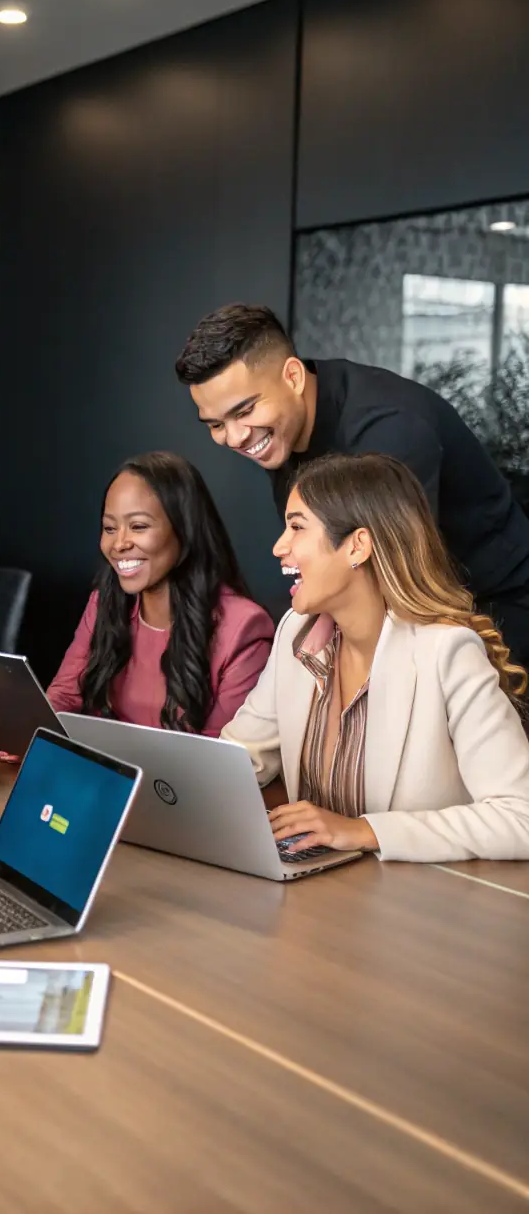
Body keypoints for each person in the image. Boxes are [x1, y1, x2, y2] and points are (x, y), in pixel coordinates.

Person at [176, 303, 529, 666]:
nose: (235, 437)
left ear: (293, 377)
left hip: (498, 605)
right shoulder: (278, 431)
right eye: (215, 424)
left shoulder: (391, 427)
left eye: (245, 411)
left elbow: (398, 582)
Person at [222, 452, 529, 862]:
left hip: (417, 895)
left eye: (297, 527)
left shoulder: (448, 653)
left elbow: (520, 817)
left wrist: (364, 831)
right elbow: (237, 759)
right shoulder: (295, 633)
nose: (280, 546)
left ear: (357, 546)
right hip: (316, 887)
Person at [47, 452, 274, 736]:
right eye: (109, 528)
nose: (119, 544)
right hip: (102, 763)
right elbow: (64, 696)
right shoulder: (104, 602)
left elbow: (221, 751)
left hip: (185, 768)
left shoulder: (243, 628)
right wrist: (26, 724)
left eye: (138, 526)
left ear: (185, 529)